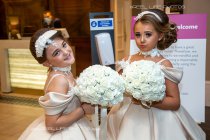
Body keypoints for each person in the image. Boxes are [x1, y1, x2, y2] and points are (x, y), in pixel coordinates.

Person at [107, 9, 205, 140]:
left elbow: (175, 102)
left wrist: (147, 100)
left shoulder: (164, 64)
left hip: (160, 118)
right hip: (130, 116)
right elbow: (116, 88)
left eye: (148, 34)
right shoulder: (127, 60)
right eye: (137, 35)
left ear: (159, 36)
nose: (142, 40)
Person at [18, 28, 96, 140]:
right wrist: (83, 110)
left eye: (64, 45)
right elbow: (51, 125)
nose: (66, 52)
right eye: (56, 53)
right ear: (47, 63)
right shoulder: (59, 80)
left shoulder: (64, 71)